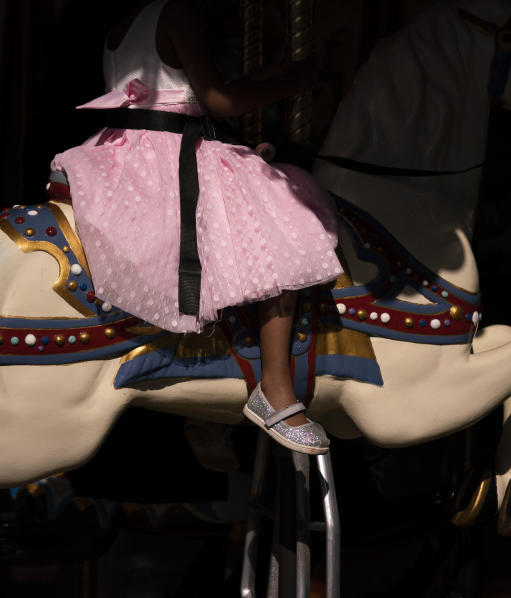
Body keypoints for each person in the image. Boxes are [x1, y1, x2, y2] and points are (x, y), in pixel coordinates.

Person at [50, 0, 344, 454]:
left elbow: (180, 90)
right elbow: (215, 100)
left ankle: (210, 379)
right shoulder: (178, 14)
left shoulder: (121, 23)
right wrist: (294, 82)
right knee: (286, 224)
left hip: (123, 150)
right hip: (168, 153)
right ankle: (275, 389)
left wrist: (268, 75)